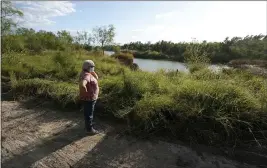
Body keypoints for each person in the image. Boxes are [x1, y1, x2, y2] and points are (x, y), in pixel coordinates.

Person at [79, 60, 99, 134]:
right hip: (89, 99)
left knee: (87, 113)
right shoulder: (87, 75)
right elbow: (84, 81)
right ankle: (89, 130)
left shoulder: (84, 73)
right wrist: (83, 86)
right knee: (89, 114)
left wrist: (93, 72)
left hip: (87, 98)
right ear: (88, 67)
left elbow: (96, 78)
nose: (93, 68)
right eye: (92, 67)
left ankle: (88, 125)